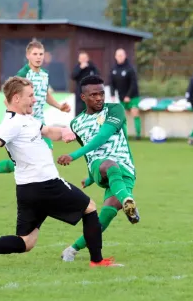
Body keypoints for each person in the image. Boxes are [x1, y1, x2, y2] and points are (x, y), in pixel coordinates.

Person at [0, 76, 115, 268]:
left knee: (26, 242)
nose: (35, 99)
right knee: (89, 207)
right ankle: (97, 261)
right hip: (46, 184)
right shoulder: (11, 124)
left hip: (27, 190)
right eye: (30, 96)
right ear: (16, 98)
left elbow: (47, 131)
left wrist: (67, 132)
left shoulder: (27, 119)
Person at [57, 75, 139, 262]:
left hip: (125, 168)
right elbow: (89, 151)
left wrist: (76, 161)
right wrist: (90, 174)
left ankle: (72, 249)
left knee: (106, 215)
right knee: (109, 164)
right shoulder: (76, 123)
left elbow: (102, 137)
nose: (99, 98)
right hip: (100, 165)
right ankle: (127, 199)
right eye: (93, 95)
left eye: (102, 94)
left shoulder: (115, 110)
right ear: (83, 97)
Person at [0, 40, 71, 190]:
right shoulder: (23, 75)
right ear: (28, 55)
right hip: (26, 125)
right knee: (30, 162)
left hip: (40, 123)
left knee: (41, 161)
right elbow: (8, 100)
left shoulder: (44, 74)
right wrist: (21, 118)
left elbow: (44, 94)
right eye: (35, 54)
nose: (38, 57)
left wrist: (59, 106)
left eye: (41, 54)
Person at [109, 48, 142, 140]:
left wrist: (128, 96)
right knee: (122, 116)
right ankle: (124, 136)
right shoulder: (113, 69)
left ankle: (138, 135)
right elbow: (112, 83)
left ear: (125, 56)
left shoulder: (130, 68)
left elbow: (133, 83)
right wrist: (112, 94)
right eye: (118, 55)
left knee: (135, 112)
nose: (120, 57)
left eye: (121, 55)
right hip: (121, 96)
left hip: (133, 96)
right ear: (115, 57)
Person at [72, 51, 100, 115]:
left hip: (91, 94)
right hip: (80, 94)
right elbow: (73, 76)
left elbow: (97, 76)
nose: (83, 60)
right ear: (79, 59)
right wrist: (80, 68)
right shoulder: (77, 67)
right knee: (79, 111)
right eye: (81, 59)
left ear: (87, 59)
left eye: (84, 58)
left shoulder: (92, 67)